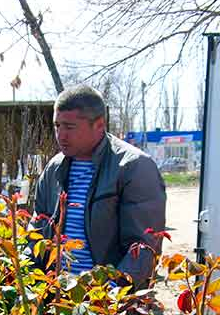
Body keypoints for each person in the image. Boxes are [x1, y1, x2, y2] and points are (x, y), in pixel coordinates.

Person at [31, 84, 166, 289]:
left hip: (107, 307)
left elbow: (143, 246)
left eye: (69, 127)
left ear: (100, 125)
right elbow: (37, 229)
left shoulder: (133, 167)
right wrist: (28, 280)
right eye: (57, 126)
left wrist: (112, 296)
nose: (61, 135)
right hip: (58, 299)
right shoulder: (54, 168)